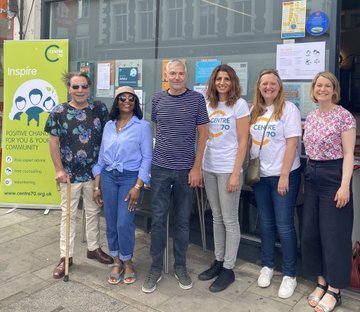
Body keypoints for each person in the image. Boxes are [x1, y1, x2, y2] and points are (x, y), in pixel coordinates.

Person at [142, 59, 209, 293]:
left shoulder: (197, 100)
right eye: (173, 73)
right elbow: (157, 130)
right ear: (166, 75)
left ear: (186, 76)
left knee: (181, 221)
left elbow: (203, 135)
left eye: (181, 73)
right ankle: (155, 268)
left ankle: (181, 266)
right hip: (160, 168)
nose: (177, 77)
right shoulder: (157, 99)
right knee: (158, 220)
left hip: (185, 170)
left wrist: (196, 167)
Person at [45, 72, 113, 279]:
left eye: (83, 86)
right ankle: (66, 257)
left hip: (94, 172)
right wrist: (59, 169)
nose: (80, 90)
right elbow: (53, 142)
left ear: (89, 88)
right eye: (76, 87)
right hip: (70, 174)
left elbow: (109, 136)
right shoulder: (59, 112)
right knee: (69, 215)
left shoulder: (99, 109)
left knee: (93, 211)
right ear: (69, 89)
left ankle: (93, 248)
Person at [302, 71, 356, 312]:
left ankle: (335, 288)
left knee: (334, 235)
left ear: (334, 90)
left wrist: (345, 185)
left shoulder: (344, 117)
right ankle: (321, 281)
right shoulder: (312, 117)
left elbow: (348, 154)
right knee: (312, 232)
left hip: (334, 176)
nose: (322, 89)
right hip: (312, 175)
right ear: (313, 90)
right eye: (318, 85)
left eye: (327, 86)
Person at [249, 69, 301, 299]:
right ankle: (267, 266)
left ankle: (290, 274)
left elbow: (292, 145)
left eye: (272, 83)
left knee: (284, 225)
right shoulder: (253, 111)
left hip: (283, 175)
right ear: (258, 87)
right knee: (267, 223)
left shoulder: (289, 110)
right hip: (260, 176)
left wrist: (284, 176)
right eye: (264, 84)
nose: (268, 87)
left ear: (279, 87)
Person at [92, 86, 152, 285]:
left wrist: (138, 186)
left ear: (136, 103)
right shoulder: (109, 125)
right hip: (108, 177)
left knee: (124, 222)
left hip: (129, 178)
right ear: (117, 102)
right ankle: (117, 260)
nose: (127, 102)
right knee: (110, 220)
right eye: (122, 98)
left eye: (131, 99)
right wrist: (96, 185)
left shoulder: (142, 126)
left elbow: (147, 158)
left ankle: (128, 260)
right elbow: (101, 156)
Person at [198, 64, 249, 292]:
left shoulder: (238, 105)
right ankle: (218, 261)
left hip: (229, 168)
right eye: (218, 78)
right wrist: (198, 166)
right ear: (213, 81)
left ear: (233, 81)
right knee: (216, 217)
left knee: (230, 219)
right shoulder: (207, 103)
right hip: (209, 166)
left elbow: (243, 141)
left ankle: (229, 268)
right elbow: (201, 137)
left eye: (226, 79)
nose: (222, 82)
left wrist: (236, 172)